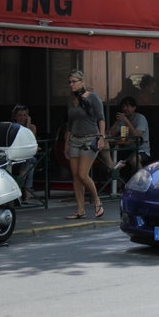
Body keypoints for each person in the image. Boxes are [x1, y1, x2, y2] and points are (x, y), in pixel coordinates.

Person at [64, 69, 106, 220]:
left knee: (83, 174)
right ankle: (80, 210)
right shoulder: (70, 100)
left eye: (74, 82)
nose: (71, 85)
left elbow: (101, 118)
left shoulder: (93, 97)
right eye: (69, 82)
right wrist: (66, 143)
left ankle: (97, 200)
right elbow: (69, 124)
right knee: (75, 176)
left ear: (82, 82)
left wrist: (101, 137)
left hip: (90, 137)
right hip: (75, 138)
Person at [107, 96, 151, 170]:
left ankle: (144, 179)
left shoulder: (140, 118)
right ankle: (118, 181)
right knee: (110, 162)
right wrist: (117, 122)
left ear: (134, 108)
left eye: (127, 106)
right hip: (126, 149)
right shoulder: (122, 119)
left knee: (133, 160)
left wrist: (127, 121)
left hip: (140, 149)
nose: (125, 109)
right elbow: (111, 135)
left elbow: (137, 135)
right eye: (123, 106)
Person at [11, 104, 37, 204]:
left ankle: (20, 186)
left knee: (30, 160)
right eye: (19, 115)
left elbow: (31, 142)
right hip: (15, 157)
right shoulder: (13, 128)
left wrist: (27, 126)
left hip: (27, 156)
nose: (22, 118)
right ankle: (26, 195)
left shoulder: (32, 127)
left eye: (24, 115)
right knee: (30, 162)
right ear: (15, 117)